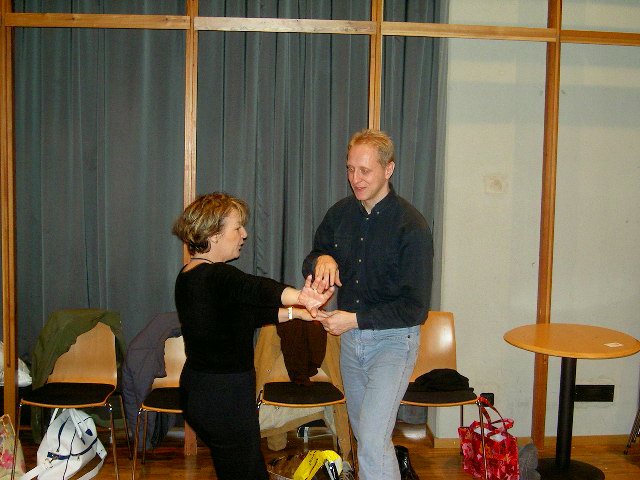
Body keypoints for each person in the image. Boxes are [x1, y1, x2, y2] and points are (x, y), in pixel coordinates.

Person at [172, 192, 334, 480]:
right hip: (223, 396)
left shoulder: (191, 275)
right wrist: (300, 296)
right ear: (214, 234)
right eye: (237, 228)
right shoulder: (217, 276)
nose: (244, 234)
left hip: (205, 391)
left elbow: (245, 314)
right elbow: (254, 288)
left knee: (236, 469)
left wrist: (297, 314)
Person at [302, 129, 433, 480]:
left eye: (364, 171)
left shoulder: (412, 226)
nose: (355, 179)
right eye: (350, 169)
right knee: (368, 439)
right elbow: (313, 257)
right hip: (351, 342)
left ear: (388, 169)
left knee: (373, 443)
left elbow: (415, 308)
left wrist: (354, 320)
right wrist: (322, 259)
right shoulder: (339, 214)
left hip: (394, 342)